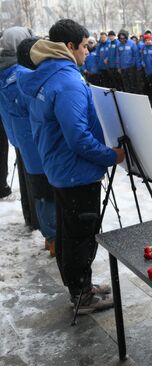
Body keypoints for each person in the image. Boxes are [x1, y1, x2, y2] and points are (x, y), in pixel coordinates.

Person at [18, 19, 125, 312]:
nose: (88, 51)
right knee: (80, 235)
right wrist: (109, 156)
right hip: (76, 172)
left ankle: (80, 285)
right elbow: (78, 137)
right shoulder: (67, 82)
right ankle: (82, 294)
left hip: (59, 168)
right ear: (69, 47)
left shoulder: (45, 75)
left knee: (68, 232)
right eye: (84, 45)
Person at [0, 29, 55, 255]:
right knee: (47, 191)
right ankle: (53, 239)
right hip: (35, 139)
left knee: (38, 189)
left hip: (20, 137)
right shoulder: (20, 74)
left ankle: (46, 233)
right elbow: (37, 107)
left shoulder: (3, 72)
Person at [0, 27, 39, 229]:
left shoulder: (4, 67)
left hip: (16, 131)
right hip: (29, 133)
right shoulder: (17, 71)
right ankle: (36, 219)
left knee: (26, 177)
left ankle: (30, 217)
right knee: (34, 180)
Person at [116, 29, 141, 94]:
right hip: (123, 68)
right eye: (120, 38)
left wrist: (137, 66)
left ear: (126, 37)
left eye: (123, 38)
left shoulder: (132, 44)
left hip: (131, 67)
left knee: (133, 83)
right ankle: (128, 95)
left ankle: (134, 95)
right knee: (125, 84)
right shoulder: (119, 45)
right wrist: (118, 67)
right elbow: (118, 56)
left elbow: (136, 55)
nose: (122, 39)